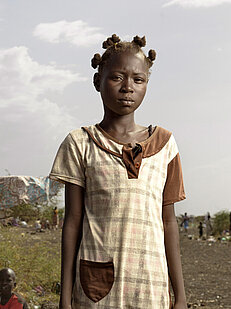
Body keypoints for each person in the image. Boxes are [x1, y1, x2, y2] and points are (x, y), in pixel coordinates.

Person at [49, 34, 187, 308]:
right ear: (97, 81)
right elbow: (73, 222)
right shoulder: (81, 142)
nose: (128, 87)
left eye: (138, 80)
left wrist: (180, 295)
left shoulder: (165, 144)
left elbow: (169, 223)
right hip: (96, 289)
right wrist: (65, 298)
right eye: (117, 78)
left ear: (147, 85)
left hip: (150, 285)